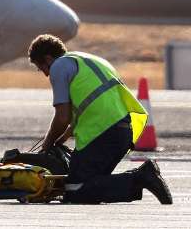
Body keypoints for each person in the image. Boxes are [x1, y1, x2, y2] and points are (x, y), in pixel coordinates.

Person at [28, 34, 172, 204]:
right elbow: (89, 106)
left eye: (41, 67)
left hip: (102, 134)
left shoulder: (59, 67)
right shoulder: (87, 60)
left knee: (75, 189)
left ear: (48, 58)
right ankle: (141, 177)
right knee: (90, 182)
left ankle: (141, 177)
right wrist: (64, 137)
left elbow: (62, 117)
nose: (45, 74)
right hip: (123, 131)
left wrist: (47, 144)